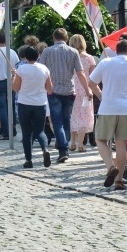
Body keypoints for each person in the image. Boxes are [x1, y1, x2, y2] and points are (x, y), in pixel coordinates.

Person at [89, 39, 127, 190]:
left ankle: (110, 166)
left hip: (107, 108)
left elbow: (91, 83)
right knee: (121, 144)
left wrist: (100, 95)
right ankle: (119, 181)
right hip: (126, 109)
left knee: (100, 139)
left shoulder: (106, 63)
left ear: (116, 51)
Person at [39, 28, 92, 163]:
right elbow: (80, 73)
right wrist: (87, 89)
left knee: (57, 121)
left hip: (53, 90)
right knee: (66, 120)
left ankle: (63, 148)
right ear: (66, 38)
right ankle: (64, 145)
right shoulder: (73, 52)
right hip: (69, 90)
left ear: (53, 38)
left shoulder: (47, 51)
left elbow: (40, 70)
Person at [13, 46, 53, 168]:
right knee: (40, 130)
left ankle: (28, 160)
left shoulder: (21, 69)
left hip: (24, 103)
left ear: (25, 56)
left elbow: (15, 88)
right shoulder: (44, 69)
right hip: (40, 103)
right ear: (38, 56)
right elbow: (50, 89)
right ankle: (45, 149)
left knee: (26, 133)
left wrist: (14, 76)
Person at [0, 32, 19, 141]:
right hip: (11, 81)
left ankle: (6, 132)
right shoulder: (13, 52)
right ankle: (12, 128)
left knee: (2, 108)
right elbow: (16, 67)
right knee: (10, 107)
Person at [68, 35, 96, 153]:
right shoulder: (89, 58)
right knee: (84, 115)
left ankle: (72, 142)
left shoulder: (69, 57)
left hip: (72, 88)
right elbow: (93, 76)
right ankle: (81, 144)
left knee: (73, 115)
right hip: (85, 89)